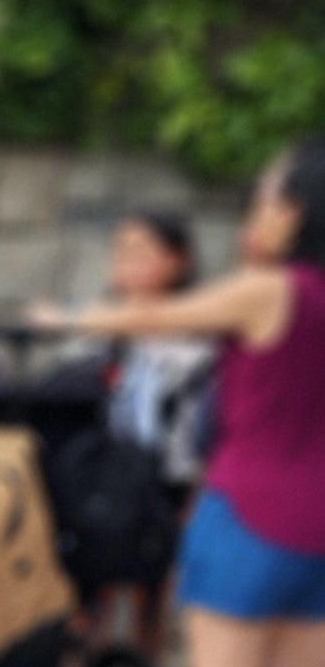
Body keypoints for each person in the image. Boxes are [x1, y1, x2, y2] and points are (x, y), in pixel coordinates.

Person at [32, 144, 325, 667]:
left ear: (296, 211)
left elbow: (162, 316)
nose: (257, 215)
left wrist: (66, 316)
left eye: (265, 200)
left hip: (246, 510)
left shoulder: (271, 290)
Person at [101, 208, 213, 494]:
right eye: (119, 252)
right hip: (111, 482)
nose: (123, 265)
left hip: (176, 483)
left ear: (177, 260)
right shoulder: (101, 333)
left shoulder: (201, 340)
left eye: (137, 253)